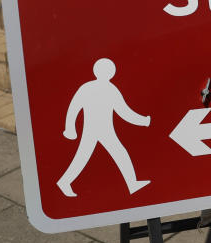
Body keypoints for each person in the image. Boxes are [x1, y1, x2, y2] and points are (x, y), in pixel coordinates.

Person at [56, 57, 151, 197]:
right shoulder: (105, 89)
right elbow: (124, 112)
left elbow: (123, 111)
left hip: (103, 130)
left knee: (116, 153)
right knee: (85, 156)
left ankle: (132, 183)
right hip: (95, 130)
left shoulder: (92, 87)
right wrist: (144, 121)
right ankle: (64, 181)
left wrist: (70, 127)